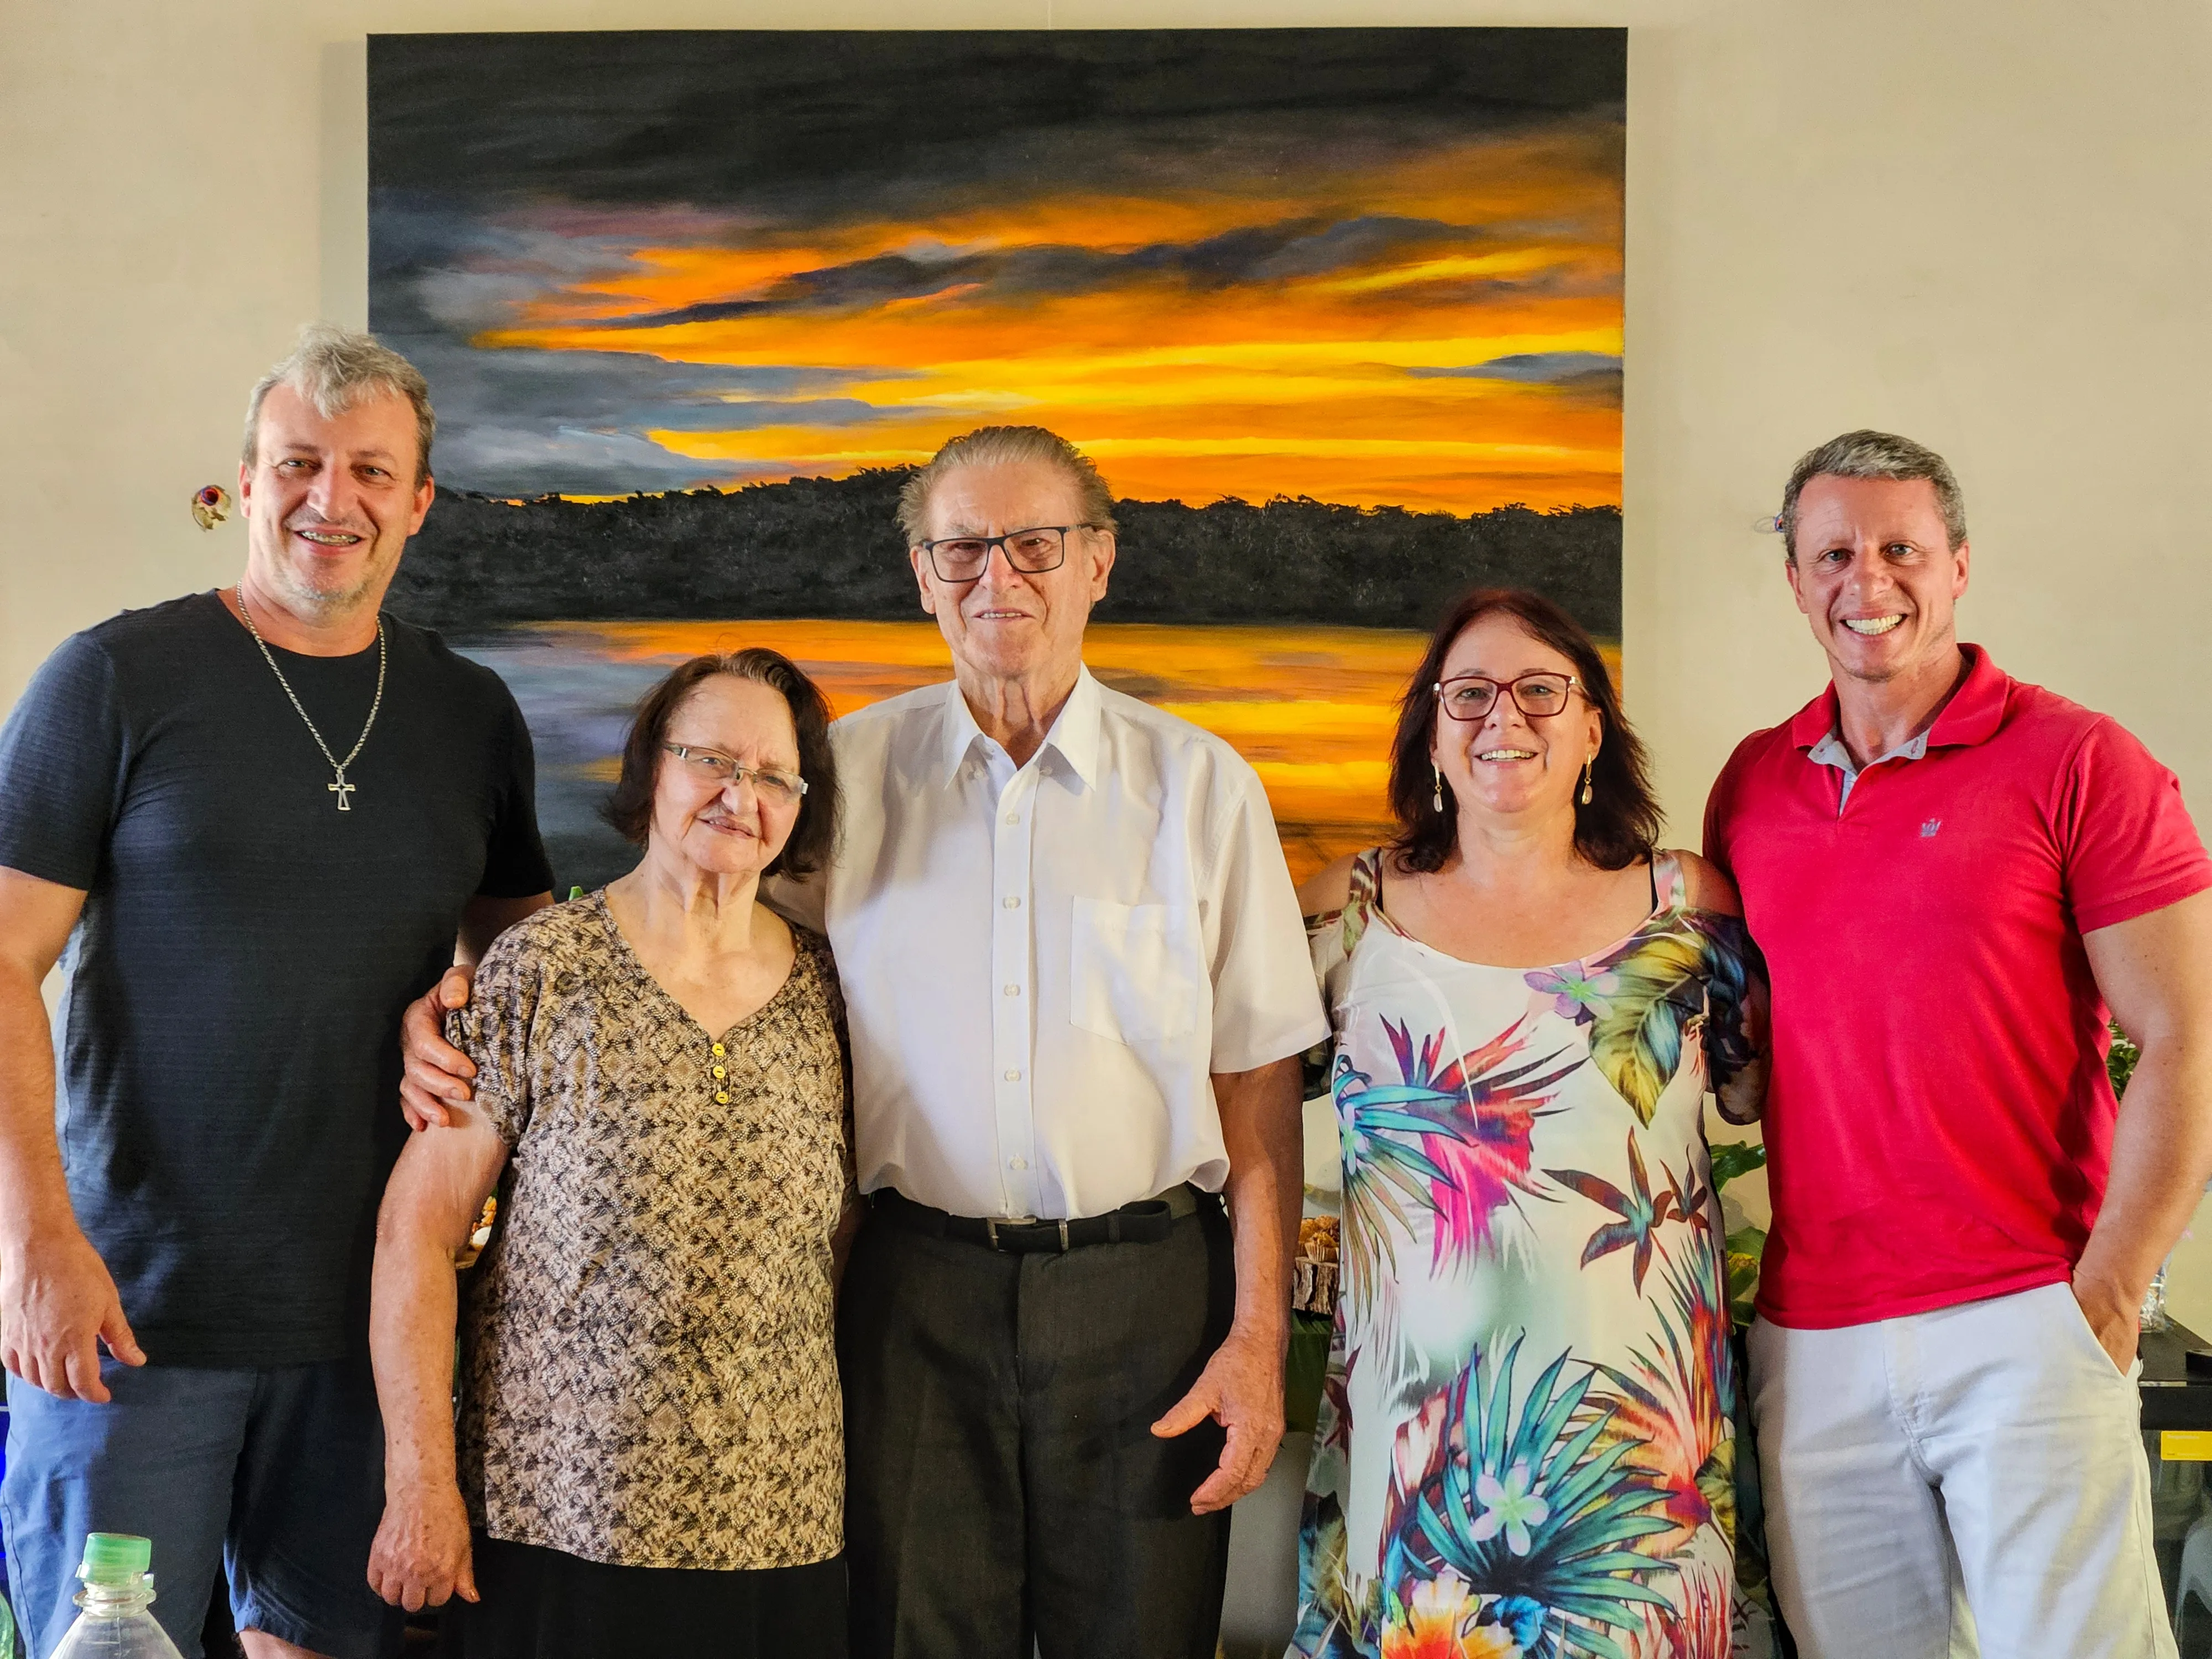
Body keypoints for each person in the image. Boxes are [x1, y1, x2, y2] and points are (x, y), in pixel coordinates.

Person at [401, 424, 1328, 1657]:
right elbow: (695, 914)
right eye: (959, 550)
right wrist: (468, 988)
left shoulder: (1201, 787)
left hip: (1144, 1299)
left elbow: (1256, 1081)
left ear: (1098, 564)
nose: (997, 577)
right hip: (911, 1297)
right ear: (920, 576)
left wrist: (1258, 1343)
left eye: (1035, 545)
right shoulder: (843, 775)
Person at [0, 326, 552, 1659]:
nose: (332, 499)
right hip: (131, 1315)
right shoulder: (116, 679)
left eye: (372, 471)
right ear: (243, 483)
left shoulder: (470, 713)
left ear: (419, 503)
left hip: (374, 1326)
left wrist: (457, 1003)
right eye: (299, 462)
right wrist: (34, 1246)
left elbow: (531, 966)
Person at [1704, 430, 2212, 1658]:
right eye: (1831, 553)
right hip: (1814, 1334)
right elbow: (1748, 1070)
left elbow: (2183, 1039)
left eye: (1897, 550)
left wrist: (2107, 1293)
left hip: (2023, 1316)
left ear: (1957, 566)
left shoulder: (2077, 761)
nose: (1863, 581)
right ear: (1791, 579)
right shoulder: (1752, 785)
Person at [1288, 587, 1769, 1659]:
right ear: (1429, 733)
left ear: (1592, 726)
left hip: (1637, 1457)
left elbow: (1753, 1096)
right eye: (1467, 694)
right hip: (1418, 1452)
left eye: (1539, 690)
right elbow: (1245, 1117)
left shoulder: (1689, 911)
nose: (1501, 717)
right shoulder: (1344, 913)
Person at [366, 649, 853, 1657]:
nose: (739, 794)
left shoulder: (830, 991)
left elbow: (838, 1240)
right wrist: (420, 1482)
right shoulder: (541, 969)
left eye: (773, 775)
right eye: (710, 758)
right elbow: (418, 1235)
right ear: (652, 771)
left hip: (782, 1522)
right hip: (561, 1514)